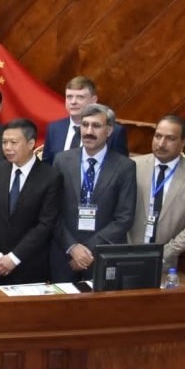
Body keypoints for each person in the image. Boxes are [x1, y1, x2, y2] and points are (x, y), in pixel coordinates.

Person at [51, 103, 136, 282]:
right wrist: (73, 247)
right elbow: (52, 211)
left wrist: (87, 250)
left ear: (109, 130)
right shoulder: (62, 161)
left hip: (102, 254)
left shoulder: (125, 167)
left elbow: (124, 217)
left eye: (96, 126)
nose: (89, 131)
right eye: (85, 125)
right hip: (64, 253)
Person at [0, 118, 61, 285]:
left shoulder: (50, 176)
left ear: (31, 143)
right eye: (4, 142)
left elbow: (45, 224)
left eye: (13, 142)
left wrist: (14, 258)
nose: (7, 147)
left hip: (29, 265)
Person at [128, 115, 185, 268]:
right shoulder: (133, 166)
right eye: (158, 136)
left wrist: (167, 252)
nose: (161, 143)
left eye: (170, 138)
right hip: (128, 253)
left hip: (168, 261)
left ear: (183, 142)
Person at [43, 76, 128, 165]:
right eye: (69, 97)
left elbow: (120, 167)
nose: (73, 102)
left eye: (80, 97)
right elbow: (46, 166)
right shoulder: (54, 128)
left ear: (93, 100)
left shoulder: (114, 131)